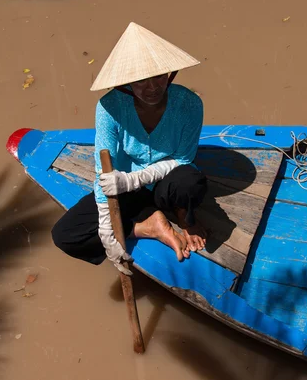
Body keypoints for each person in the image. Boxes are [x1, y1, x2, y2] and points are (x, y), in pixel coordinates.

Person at [51, 22, 208, 275]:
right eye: (140, 81)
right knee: (65, 235)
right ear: (126, 83)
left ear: (170, 73)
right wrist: (106, 228)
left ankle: (181, 213)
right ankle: (146, 227)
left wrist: (132, 179)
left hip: (164, 183)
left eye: (159, 76)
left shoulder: (189, 104)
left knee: (191, 181)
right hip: (123, 186)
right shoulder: (109, 108)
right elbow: (104, 171)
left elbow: (183, 157)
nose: (153, 87)